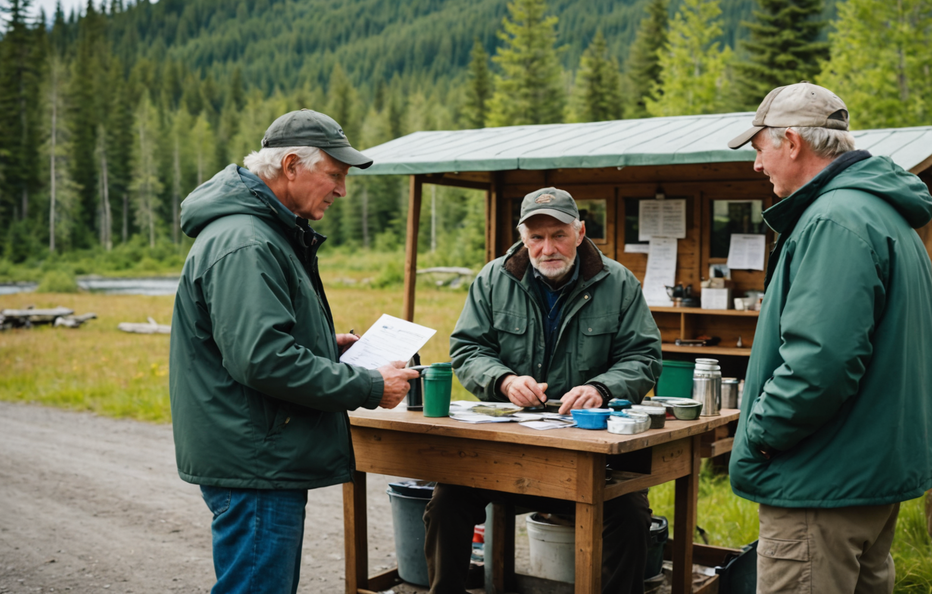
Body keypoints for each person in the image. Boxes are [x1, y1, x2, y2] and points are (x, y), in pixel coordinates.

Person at [168, 109, 417, 594]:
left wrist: (328, 347)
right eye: (335, 175)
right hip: (256, 458)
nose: (342, 190)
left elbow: (258, 342)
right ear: (290, 166)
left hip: (256, 449)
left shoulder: (260, 233)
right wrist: (369, 384)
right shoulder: (247, 241)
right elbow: (263, 359)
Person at [725, 83, 932, 594]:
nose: (757, 166)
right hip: (863, 477)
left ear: (791, 142)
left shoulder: (833, 220)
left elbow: (819, 366)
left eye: (759, 150)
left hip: (818, 484)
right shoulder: (882, 213)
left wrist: (759, 435)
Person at [423, 187, 663, 594]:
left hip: (588, 449)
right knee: (446, 502)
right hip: (504, 445)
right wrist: (504, 380)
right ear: (522, 237)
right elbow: (467, 349)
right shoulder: (493, 278)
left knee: (630, 513)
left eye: (559, 234)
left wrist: (601, 388)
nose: (547, 248)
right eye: (536, 237)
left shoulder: (618, 282)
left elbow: (644, 357)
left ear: (580, 231)